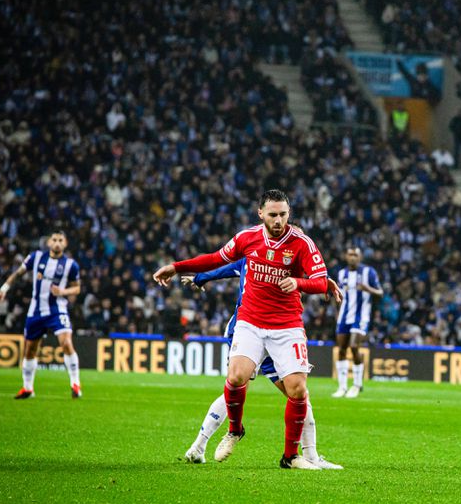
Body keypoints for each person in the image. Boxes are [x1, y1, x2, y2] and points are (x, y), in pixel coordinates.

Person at [153, 189, 329, 470]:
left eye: (283, 214)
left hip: (286, 326)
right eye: (273, 214)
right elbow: (215, 260)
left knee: (298, 391)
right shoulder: (247, 239)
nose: (279, 220)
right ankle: (234, 430)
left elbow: (321, 281)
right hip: (250, 322)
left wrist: (299, 283)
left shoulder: (301, 244)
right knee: (236, 377)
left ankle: (292, 457)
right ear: (261, 213)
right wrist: (176, 267)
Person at [179, 259, 343, 469]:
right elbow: (224, 267)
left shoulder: (290, 260)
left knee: (298, 393)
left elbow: (309, 276)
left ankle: (310, 455)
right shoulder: (254, 256)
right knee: (237, 386)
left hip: (278, 335)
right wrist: (200, 277)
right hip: (248, 329)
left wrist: (324, 281)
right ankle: (200, 446)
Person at [0, 231, 84, 398]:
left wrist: (63, 291)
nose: (57, 243)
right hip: (35, 310)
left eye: (60, 240)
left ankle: (75, 384)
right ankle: (28, 388)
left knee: (66, 343)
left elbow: (77, 288)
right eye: (54, 240)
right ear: (49, 242)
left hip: (57, 309)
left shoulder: (71, 265)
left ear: (65, 244)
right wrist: (3, 289)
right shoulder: (35, 257)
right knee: (30, 350)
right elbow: (17, 273)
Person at [332, 246, 383, 398]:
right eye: (350, 255)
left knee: (354, 346)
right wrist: (337, 312)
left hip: (361, 316)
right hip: (344, 316)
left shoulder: (369, 272)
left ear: (360, 257)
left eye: (355, 255)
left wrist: (368, 289)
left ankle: (357, 384)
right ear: (346, 257)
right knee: (341, 349)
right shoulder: (342, 274)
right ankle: (342, 387)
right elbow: (338, 295)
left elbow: (380, 293)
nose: (353, 257)